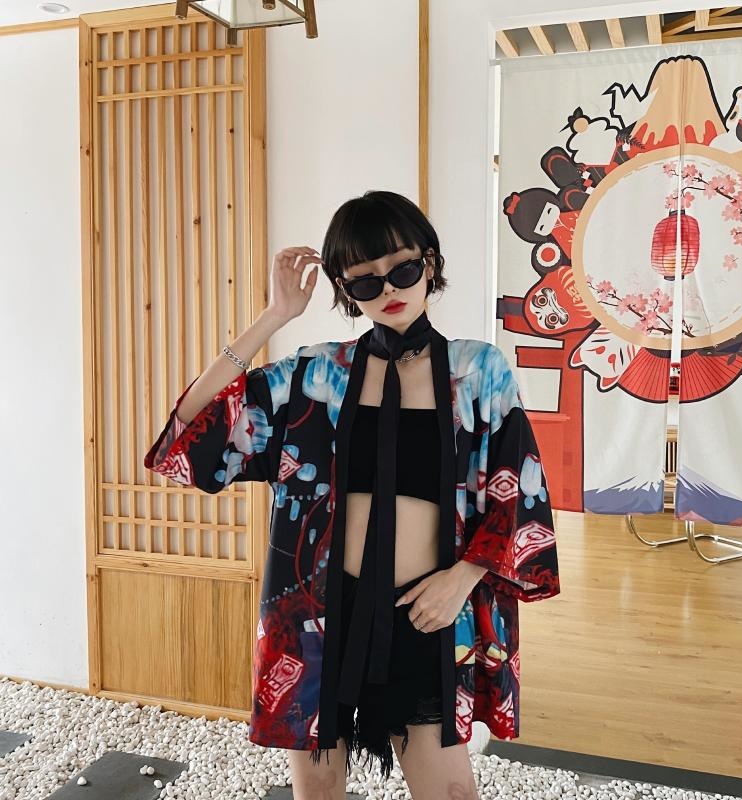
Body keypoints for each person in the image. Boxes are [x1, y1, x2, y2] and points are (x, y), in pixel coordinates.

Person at [144, 190, 560, 800]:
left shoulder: (477, 371)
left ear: (430, 263)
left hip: (428, 609)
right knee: (317, 791)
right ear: (344, 290)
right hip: (322, 611)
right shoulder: (316, 373)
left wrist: (463, 578)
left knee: (449, 791)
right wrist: (273, 317)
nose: (388, 289)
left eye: (403, 269)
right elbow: (190, 432)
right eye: (365, 281)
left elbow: (518, 491)